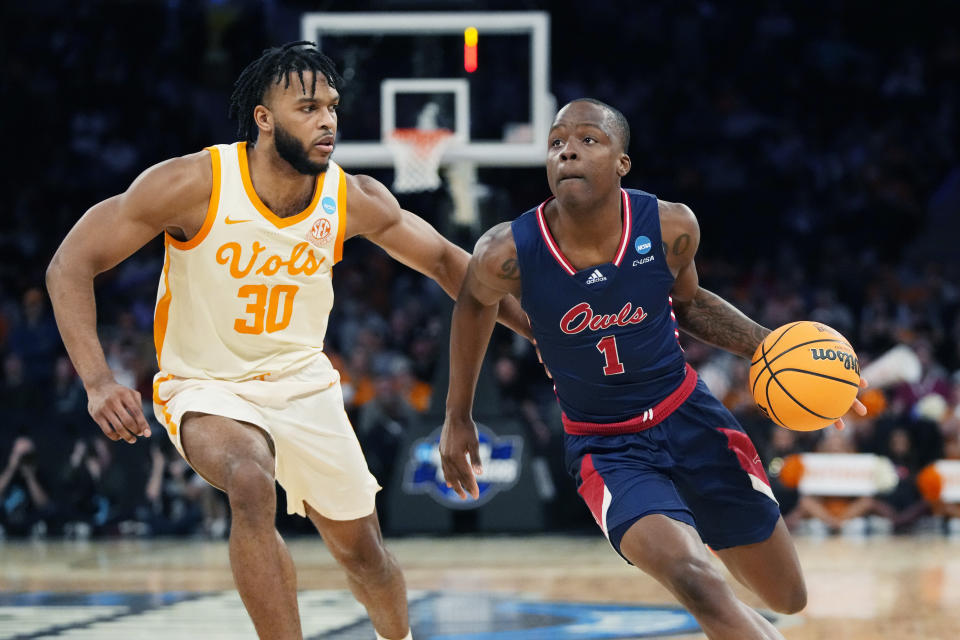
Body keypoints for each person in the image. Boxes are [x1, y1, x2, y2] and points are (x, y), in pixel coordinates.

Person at [46, 41, 528, 640]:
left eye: (332, 106)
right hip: (206, 385)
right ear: (264, 119)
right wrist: (97, 381)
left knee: (365, 558)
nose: (327, 119)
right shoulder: (193, 184)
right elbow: (70, 264)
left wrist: (541, 334)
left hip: (304, 385)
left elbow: (450, 265)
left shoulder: (349, 197)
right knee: (250, 481)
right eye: (307, 107)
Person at [440, 98, 866, 639]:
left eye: (588, 139)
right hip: (608, 448)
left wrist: (779, 351)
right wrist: (458, 415)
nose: (568, 148)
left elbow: (688, 304)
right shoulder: (508, 250)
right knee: (696, 580)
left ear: (622, 162)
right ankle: (678, 536)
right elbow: (474, 304)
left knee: (788, 595)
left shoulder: (670, 226)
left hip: (691, 420)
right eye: (556, 142)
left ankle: (699, 522)